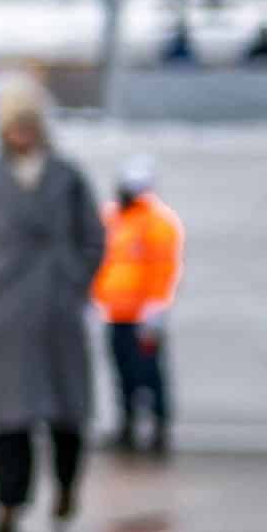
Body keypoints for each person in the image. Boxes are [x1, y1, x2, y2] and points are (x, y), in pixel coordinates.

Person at [0, 77, 106, 532]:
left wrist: (73, 278)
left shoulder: (68, 177)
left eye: (29, 124)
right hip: (6, 313)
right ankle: (9, 500)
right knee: (9, 416)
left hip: (57, 310)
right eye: (14, 126)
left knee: (66, 410)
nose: (22, 134)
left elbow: (94, 238)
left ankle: (66, 486)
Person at [91, 155, 183, 455]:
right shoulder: (112, 219)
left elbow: (163, 267)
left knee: (149, 374)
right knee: (123, 373)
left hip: (143, 316)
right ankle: (126, 427)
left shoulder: (157, 223)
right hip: (115, 313)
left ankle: (158, 429)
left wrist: (156, 307)